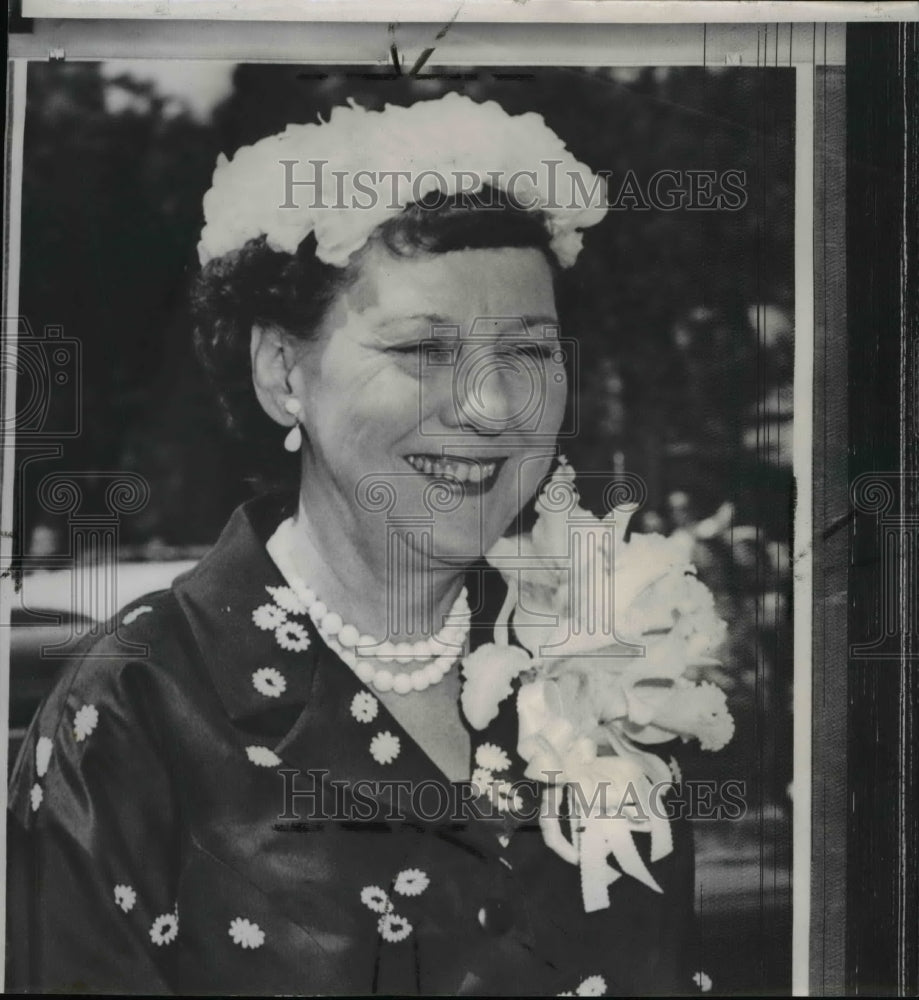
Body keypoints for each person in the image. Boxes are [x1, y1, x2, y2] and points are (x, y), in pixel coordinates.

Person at [7, 92, 696, 995]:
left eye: (528, 353)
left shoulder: (609, 666)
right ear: (282, 372)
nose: (492, 410)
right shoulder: (135, 716)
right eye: (421, 351)